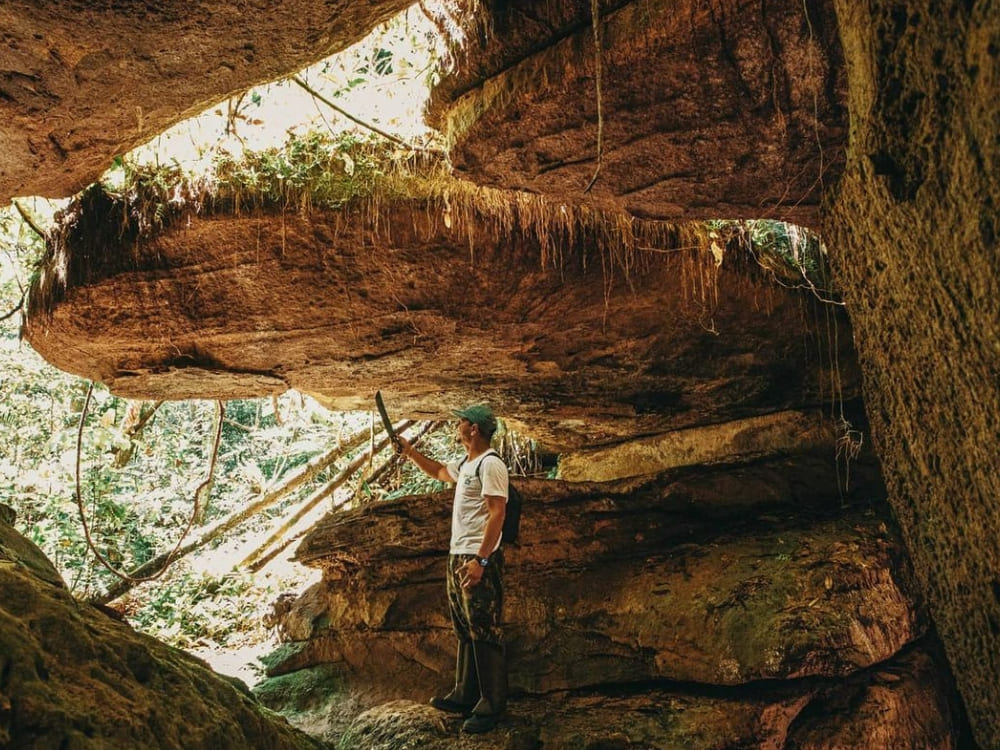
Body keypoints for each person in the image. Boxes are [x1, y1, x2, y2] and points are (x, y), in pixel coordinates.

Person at [396, 404, 509, 734]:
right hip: (458, 554)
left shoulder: (491, 465)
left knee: (484, 628)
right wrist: (409, 451)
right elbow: (439, 472)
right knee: (465, 625)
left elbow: (497, 514)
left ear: (473, 429)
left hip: (477, 557)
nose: (456, 425)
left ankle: (492, 704)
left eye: (460, 422)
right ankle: (465, 694)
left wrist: (481, 561)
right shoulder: (467, 464)